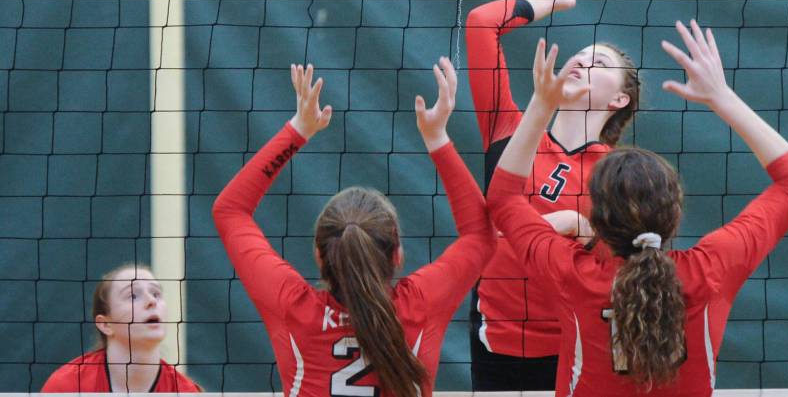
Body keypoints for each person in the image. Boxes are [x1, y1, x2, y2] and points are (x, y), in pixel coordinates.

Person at [487, 20, 788, 396]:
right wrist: (722, 97)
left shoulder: (572, 274)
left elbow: (502, 199)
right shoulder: (711, 269)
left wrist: (540, 106)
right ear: (673, 212)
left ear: (600, 217)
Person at [212, 60, 495, 397]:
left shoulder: (294, 309)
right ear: (398, 255)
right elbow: (481, 234)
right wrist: (437, 138)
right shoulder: (421, 304)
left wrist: (298, 130)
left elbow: (230, 211)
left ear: (320, 256)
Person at [465, 0, 639, 391]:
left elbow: (626, 270)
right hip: (494, 345)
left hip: (574, 347)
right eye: (579, 55)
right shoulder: (511, 132)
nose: (582, 61)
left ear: (619, 100)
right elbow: (480, 23)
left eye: (600, 64)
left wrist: (583, 230)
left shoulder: (617, 174)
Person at [41, 264, 201, 393]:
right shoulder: (68, 386)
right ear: (105, 324)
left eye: (156, 293)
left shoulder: (184, 391)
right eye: (133, 296)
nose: (151, 301)